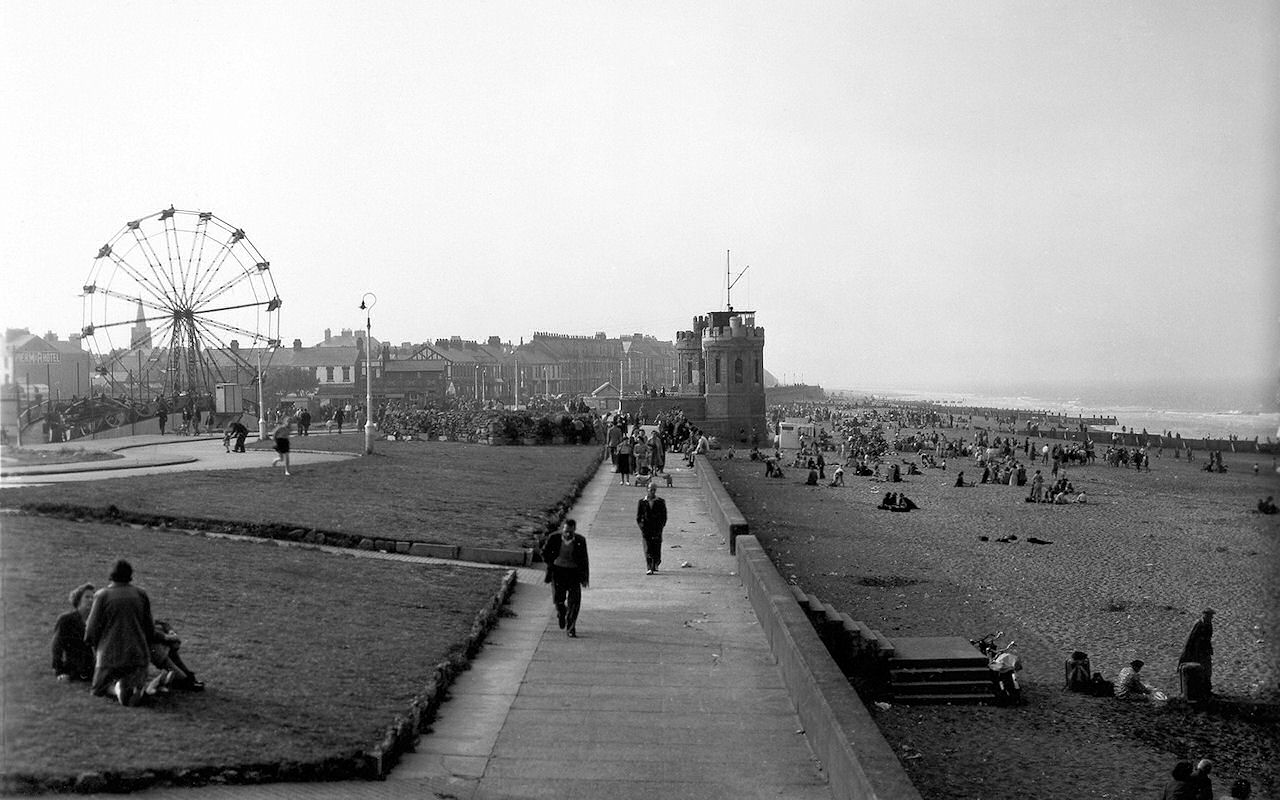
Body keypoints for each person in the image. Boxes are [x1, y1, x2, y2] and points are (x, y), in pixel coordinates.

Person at [84, 559, 157, 706]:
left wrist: (93, 646)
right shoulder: (141, 594)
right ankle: (137, 688)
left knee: (98, 689)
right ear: (130, 576)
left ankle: (117, 689)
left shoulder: (102, 595)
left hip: (110, 656)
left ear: (111, 576)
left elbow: (91, 630)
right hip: (137, 656)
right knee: (136, 680)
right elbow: (149, 628)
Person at [541, 519, 589, 638]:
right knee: (559, 599)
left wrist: (585, 578)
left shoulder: (580, 541)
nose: (568, 534)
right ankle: (561, 613)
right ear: (563, 529)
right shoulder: (554, 538)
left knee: (575, 602)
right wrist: (551, 562)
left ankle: (571, 628)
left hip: (573, 573)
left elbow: (584, 560)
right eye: (566, 531)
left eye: (570, 532)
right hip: (558, 572)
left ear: (574, 530)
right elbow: (544, 553)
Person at [52, 583, 96, 682]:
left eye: (93, 597)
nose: (91, 600)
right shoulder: (66, 620)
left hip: (94, 668)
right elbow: (57, 646)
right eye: (87, 597)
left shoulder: (98, 620)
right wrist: (59, 671)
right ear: (78, 599)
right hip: (74, 668)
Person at [1179, 609, 1215, 694]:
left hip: (1205, 650)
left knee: (1207, 670)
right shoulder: (1199, 624)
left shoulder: (1209, 624)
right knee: (1200, 669)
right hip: (1197, 651)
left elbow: (1208, 639)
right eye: (1209, 615)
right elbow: (1191, 639)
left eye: (1211, 616)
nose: (1211, 617)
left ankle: (1206, 688)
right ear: (1204, 615)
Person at [636, 483, 668, 574]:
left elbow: (664, 516)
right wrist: (642, 526)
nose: (652, 492)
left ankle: (656, 563)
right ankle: (649, 566)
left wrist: (661, 526)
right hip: (646, 529)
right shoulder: (642, 502)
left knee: (656, 547)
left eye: (654, 490)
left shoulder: (660, 502)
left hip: (657, 528)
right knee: (648, 547)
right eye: (651, 490)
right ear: (647, 490)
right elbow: (639, 517)